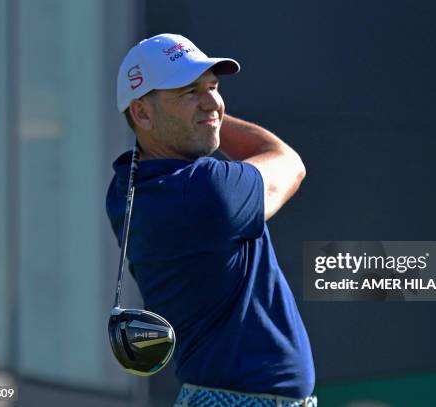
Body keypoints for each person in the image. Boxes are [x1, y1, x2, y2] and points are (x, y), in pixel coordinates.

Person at [106, 33, 316, 407]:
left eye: (214, 87)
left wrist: (201, 114)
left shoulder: (127, 189)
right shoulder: (205, 191)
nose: (213, 102)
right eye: (189, 91)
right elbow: (287, 161)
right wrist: (212, 119)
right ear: (141, 113)